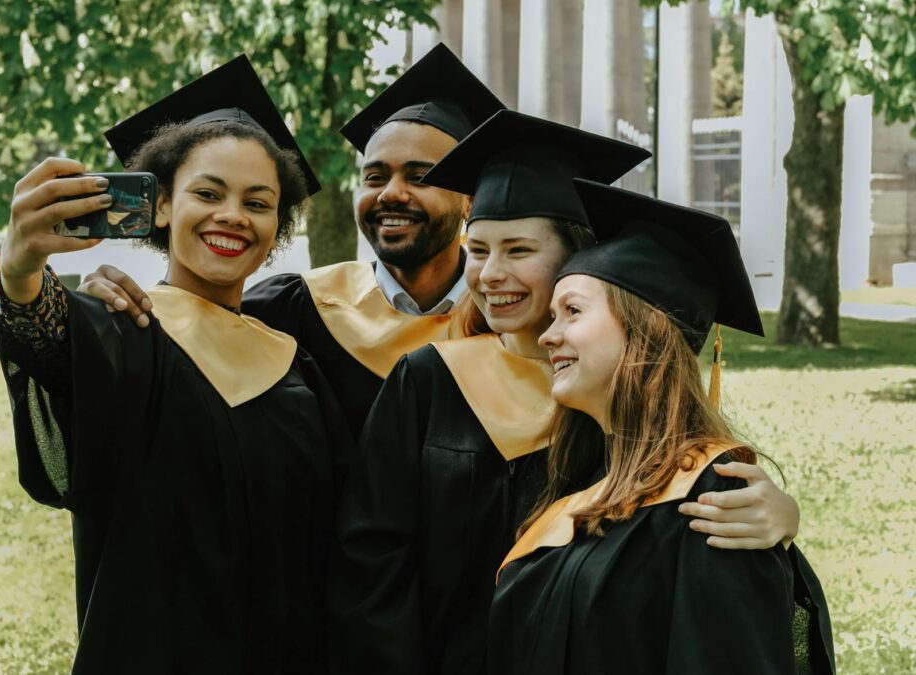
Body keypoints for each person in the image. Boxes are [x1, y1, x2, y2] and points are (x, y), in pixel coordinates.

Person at [330, 110, 801, 675]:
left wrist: (781, 517)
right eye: (477, 250)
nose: (490, 273)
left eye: (519, 250)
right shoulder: (430, 380)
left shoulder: (615, 405)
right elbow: (373, 565)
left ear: (575, 257)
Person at [0, 56, 349, 673]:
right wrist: (20, 270)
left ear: (277, 227)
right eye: (207, 194)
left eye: (257, 202)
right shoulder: (123, 327)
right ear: (160, 206)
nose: (232, 215)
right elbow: (47, 338)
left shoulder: (298, 365)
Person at [489, 179, 834, 675]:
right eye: (552, 315)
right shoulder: (574, 480)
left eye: (572, 312)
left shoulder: (712, 500)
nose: (548, 335)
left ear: (644, 326)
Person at [77, 43, 506, 439]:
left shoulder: (513, 321)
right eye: (375, 177)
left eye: (421, 177)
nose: (391, 193)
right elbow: (194, 320)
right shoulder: (296, 309)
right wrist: (94, 303)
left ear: (470, 200)